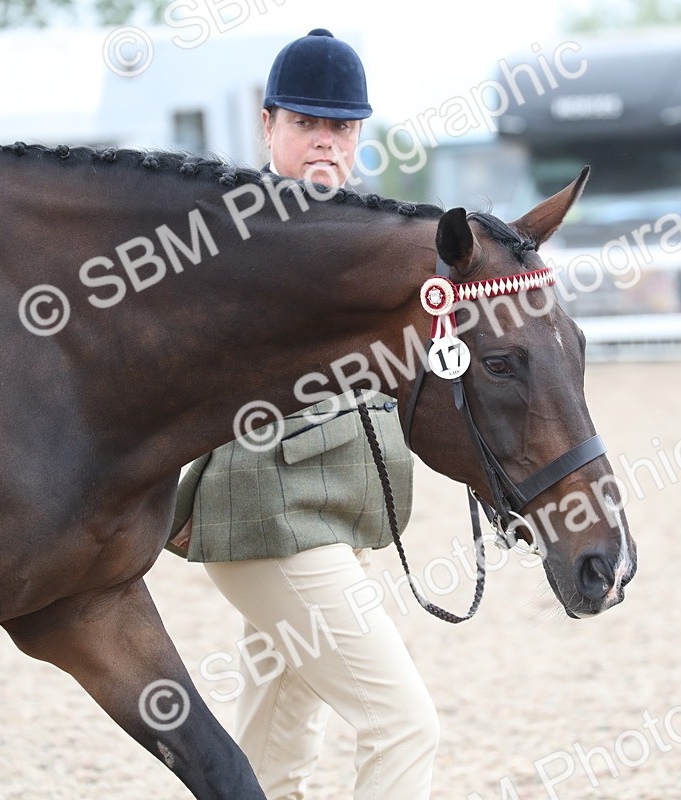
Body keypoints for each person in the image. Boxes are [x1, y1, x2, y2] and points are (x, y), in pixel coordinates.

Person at [166, 29, 439, 800]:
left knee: (277, 743)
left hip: (336, 514)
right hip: (269, 515)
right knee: (404, 724)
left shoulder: (366, 228)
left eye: (341, 128)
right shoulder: (231, 230)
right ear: (268, 125)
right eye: (306, 123)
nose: (326, 141)